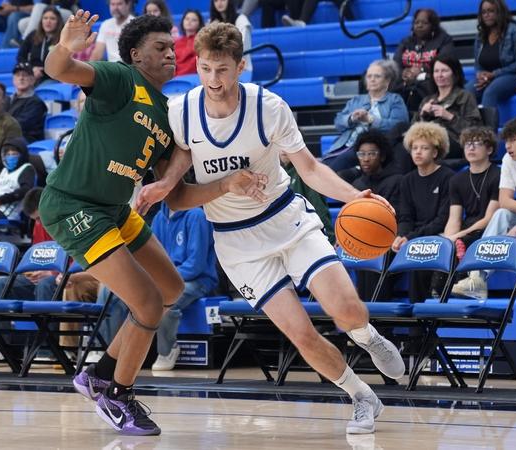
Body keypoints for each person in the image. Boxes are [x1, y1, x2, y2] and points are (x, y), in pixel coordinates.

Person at [136, 22, 406, 435]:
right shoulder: (181, 112)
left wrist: (356, 198)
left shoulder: (270, 107)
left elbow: (310, 168)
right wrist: (174, 183)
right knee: (302, 334)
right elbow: (180, 175)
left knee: (347, 310)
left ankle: (367, 337)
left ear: (241, 66)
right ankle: (361, 396)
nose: (213, 79)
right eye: (206, 68)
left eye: (223, 69)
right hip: (237, 243)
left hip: (287, 220)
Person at [39, 12, 258, 436]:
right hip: (73, 205)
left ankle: (99, 374)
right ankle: (117, 395)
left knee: (171, 289)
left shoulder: (168, 112)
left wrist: (226, 186)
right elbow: (59, 69)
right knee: (147, 304)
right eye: (160, 47)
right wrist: (66, 44)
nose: (170, 54)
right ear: (136, 54)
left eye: (172, 47)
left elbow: (175, 194)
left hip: (115, 210)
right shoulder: (119, 78)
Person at [452, 117, 516, 299]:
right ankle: (477, 279)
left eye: (513, 140)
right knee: (502, 213)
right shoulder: (509, 161)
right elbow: (504, 201)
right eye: (506, 141)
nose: (508, 146)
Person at [150, 203, 219, 370]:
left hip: (198, 280)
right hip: (166, 280)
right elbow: (152, 259)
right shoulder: (159, 218)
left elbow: (196, 265)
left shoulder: (197, 216)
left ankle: (167, 351)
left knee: (166, 300)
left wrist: (165, 279)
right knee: (128, 296)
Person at [391, 122, 454, 302]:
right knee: (383, 253)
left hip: (435, 235)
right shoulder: (407, 180)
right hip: (412, 235)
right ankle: (376, 320)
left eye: (424, 148)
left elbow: (442, 219)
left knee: (420, 252)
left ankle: (419, 327)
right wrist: (401, 235)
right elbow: (405, 216)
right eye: (414, 148)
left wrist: (411, 238)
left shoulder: (448, 177)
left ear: (435, 152)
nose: (418, 152)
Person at [323, 60, 409, 172]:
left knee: (331, 169)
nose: (372, 79)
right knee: (324, 165)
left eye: (377, 76)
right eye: (369, 76)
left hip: (372, 147)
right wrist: (352, 118)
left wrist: (371, 120)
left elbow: (400, 124)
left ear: (387, 80)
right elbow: (338, 122)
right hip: (346, 145)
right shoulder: (356, 100)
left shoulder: (394, 100)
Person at [0, 187, 59, 301]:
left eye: (40, 218)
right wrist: (32, 271)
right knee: (1, 285)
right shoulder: (38, 225)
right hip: (45, 277)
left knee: (45, 284)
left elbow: (79, 262)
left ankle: (44, 319)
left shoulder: (70, 222)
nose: (39, 222)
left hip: (64, 277)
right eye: (35, 219)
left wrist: (52, 273)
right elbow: (38, 257)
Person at [442, 126, 500, 258]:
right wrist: (448, 239)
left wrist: (459, 235)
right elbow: (454, 219)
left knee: (464, 244)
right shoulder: (456, 180)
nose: (471, 148)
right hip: (466, 230)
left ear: (489, 149)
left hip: (489, 230)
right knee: (441, 253)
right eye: (468, 144)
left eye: (478, 144)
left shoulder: (499, 175)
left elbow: (489, 218)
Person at [414, 53, 483, 161]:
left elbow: (475, 130)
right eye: (436, 71)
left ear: (455, 74)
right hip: (425, 143)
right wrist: (422, 115)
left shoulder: (465, 96)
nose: (439, 75)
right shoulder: (427, 100)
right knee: (401, 129)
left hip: (453, 143)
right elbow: (413, 131)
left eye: (444, 71)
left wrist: (450, 117)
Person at [392, 8, 456, 111]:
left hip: (431, 80)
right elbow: (396, 64)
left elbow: (446, 62)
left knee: (421, 86)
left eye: (424, 23)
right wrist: (404, 72)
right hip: (407, 80)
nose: (419, 25)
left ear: (433, 26)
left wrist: (421, 70)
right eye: (416, 22)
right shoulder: (406, 41)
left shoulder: (444, 40)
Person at [467, 0, 516, 110]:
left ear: (500, 12)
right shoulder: (480, 35)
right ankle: (469, 126)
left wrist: (494, 74)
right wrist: (480, 75)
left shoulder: (513, 31)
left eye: (491, 11)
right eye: (484, 12)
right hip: (488, 78)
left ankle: (489, 127)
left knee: (490, 92)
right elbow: (478, 64)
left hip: (512, 76)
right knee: (467, 92)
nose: (487, 15)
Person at [17, 6, 64, 84]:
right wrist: (31, 68)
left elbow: (63, 64)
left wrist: (42, 71)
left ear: (58, 22)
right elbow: (20, 57)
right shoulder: (33, 35)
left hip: (52, 78)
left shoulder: (63, 38)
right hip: (32, 75)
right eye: (45, 18)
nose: (48, 21)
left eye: (52, 19)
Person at [9, 62, 48, 142]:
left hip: (26, 140)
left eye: (25, 75)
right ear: (13, 80)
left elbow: (20, 125)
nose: (21, 78)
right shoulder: (7, 100)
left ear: (33, 80)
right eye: (18, 75)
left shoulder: (36, 103)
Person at [209, 0, 252, 72]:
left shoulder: (241, 20)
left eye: (222, 0)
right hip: (217, 68)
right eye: (216, 1)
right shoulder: (212, 23)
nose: (219, 3)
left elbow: (243, 48)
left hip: (241, 68)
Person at [174, 10, 204, 76]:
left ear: (199, 24)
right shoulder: (176, 42)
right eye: (187, 19)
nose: (189, 22)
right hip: (174, 78)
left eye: (194, 20)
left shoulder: (202, 41)